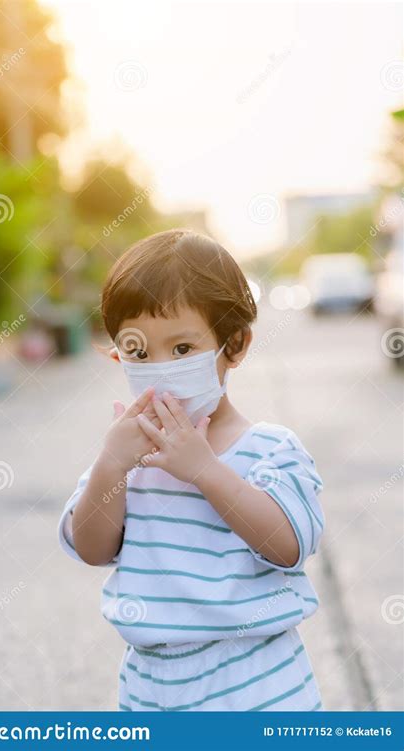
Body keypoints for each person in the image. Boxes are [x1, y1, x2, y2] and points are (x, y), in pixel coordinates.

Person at [57, 229, 325, 712]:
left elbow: (288, 547)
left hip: (258, 684)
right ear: (119, 354)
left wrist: (204, 469)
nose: (160, 369)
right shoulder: (126, 455)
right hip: (151, 688)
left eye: (182, 350)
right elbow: (92, 547)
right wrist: (113, 463)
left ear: (235, 345)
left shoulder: (269, 448)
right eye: (139, 353)